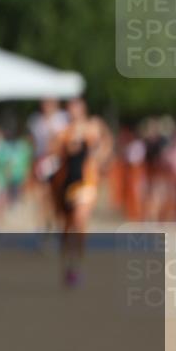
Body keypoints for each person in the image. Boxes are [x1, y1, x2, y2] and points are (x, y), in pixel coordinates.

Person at [49, 97, 111, 287]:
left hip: (86, 181)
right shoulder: (63, 132)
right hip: (66, 182)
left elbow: (106, 143)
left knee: (80, 219)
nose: (73, 111)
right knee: (67, 226)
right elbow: (54, 154)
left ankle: (78, 263)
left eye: (76, 107)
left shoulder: (94, 126)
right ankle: (69, 264)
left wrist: (99, 158)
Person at [28, 98, 69, 233]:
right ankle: (44, 224)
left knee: (56, 195)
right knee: (42, 195)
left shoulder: (63, 119)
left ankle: (57, 223)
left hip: (57, 161)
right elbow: (33, 143)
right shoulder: (36, 121)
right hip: (42, 160)